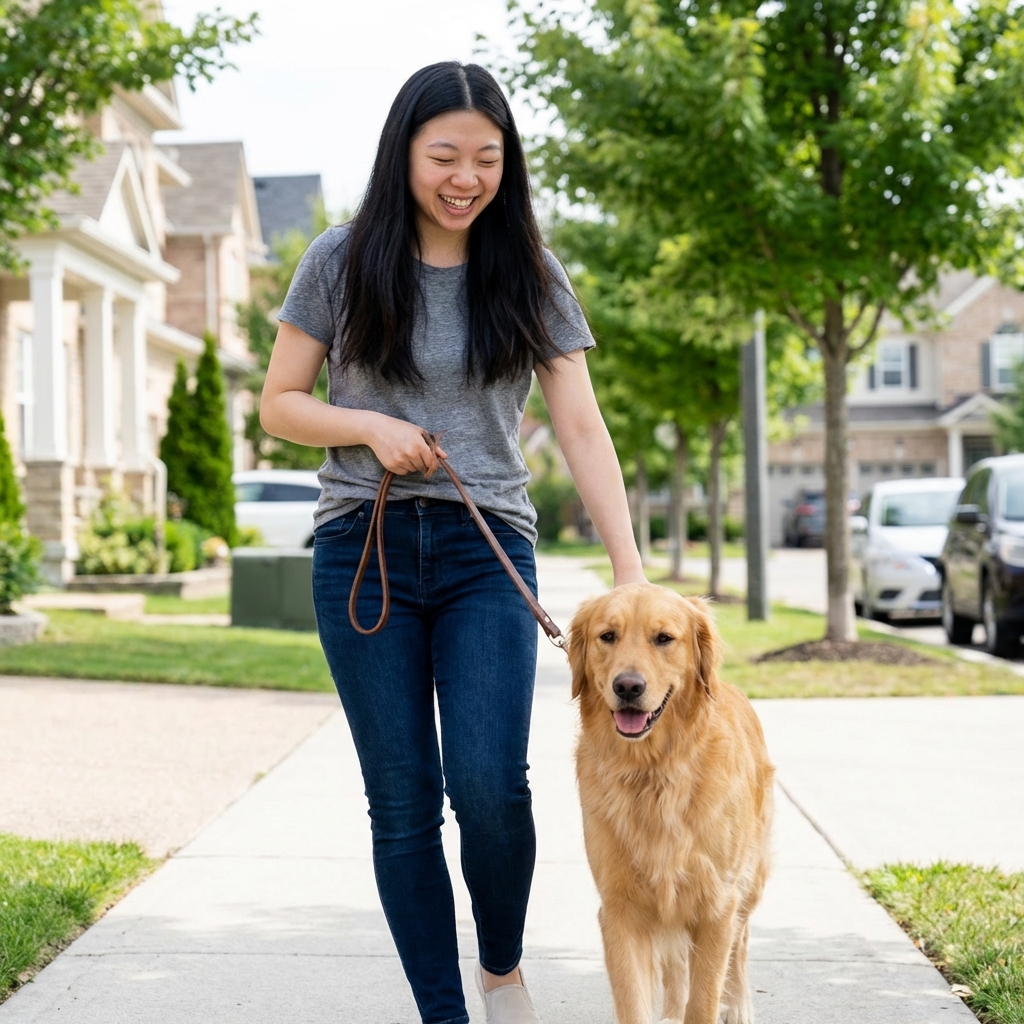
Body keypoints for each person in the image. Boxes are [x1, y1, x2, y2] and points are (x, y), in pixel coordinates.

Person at [260, 61, 645, 1024]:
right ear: (404, 155)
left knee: (490, 786)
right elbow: (280, 405)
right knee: (403, 805)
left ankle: (503, 964)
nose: (465, 176)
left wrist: (629, 571)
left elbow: (583, 427)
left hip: (488, 552)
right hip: (365, 548)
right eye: (444, 156)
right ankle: (444, 1011)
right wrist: (369, 426)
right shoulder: (339, 260)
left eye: (487, 156)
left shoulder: (528, 271)